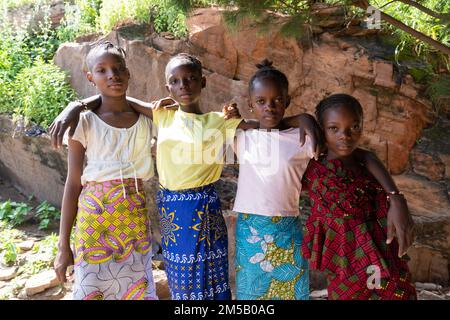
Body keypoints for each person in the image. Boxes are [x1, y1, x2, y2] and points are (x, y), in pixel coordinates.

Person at [49, 53, 322, 300]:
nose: (184, 85)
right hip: (172, 209)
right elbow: (118, 98)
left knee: (212, 277)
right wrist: (77, 105)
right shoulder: (161, 115)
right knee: (182, 280)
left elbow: (266, 123)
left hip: (206, 205)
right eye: (176, 81)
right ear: (168, 87)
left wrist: (303, 119)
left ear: (203, 82)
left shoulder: (221, 121)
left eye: (191, 79)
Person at [53, 41, 158, 300]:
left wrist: (79, 102)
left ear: (128, 73)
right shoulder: (84, 122)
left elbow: (175, 116)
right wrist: (63, 245)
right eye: (102, 70)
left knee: (137, 291)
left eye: (119, 68)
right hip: (93, 224)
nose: (112, 75)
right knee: (92, 291)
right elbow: (73, 184)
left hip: (134, 220)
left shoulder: (146, 121)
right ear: (90, 77)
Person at [301, 93, 417, 300]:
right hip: (344, 265)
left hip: (383, 257)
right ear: (320, 130)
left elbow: (369, 158)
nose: (344, 136)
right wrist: (302, 119)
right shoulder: (312, 165)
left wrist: (397, 199)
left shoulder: (365, 163)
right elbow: (272, 126)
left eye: (354, 127)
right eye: (333, 128)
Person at [232, 60, 313, 300]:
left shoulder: (302, 139)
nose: (270, 107)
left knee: (291, 290)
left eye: (277, 100)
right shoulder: (241, 136)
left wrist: (302, 119)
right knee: (252, 293)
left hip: (287, 228)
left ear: (287, 101)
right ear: (250, 104)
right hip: (250, 228)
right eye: (261, 101)